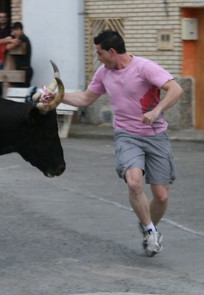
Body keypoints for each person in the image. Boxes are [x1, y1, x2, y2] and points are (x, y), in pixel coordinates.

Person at [45, 30, 183, 257]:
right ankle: (150, 230)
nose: (97, 57)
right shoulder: (103, 73)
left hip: (156, 135)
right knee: (134, 182)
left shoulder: (144, 67)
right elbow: (86, 99)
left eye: (99, 52)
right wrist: (57, 97)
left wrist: (157, 110)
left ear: (111, 51)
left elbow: (176, 88)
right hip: (127, 135)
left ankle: (149, 225)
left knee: (161, 196)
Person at [4, 22, 33, 87]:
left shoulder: (23, 38)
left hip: (25, 70)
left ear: (22, 30)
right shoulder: (14, 38)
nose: (14, 32)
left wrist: (9, 41)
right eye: (13, 30)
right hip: (19, 70)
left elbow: (8, 47)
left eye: (16, 30)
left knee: (23, 91)